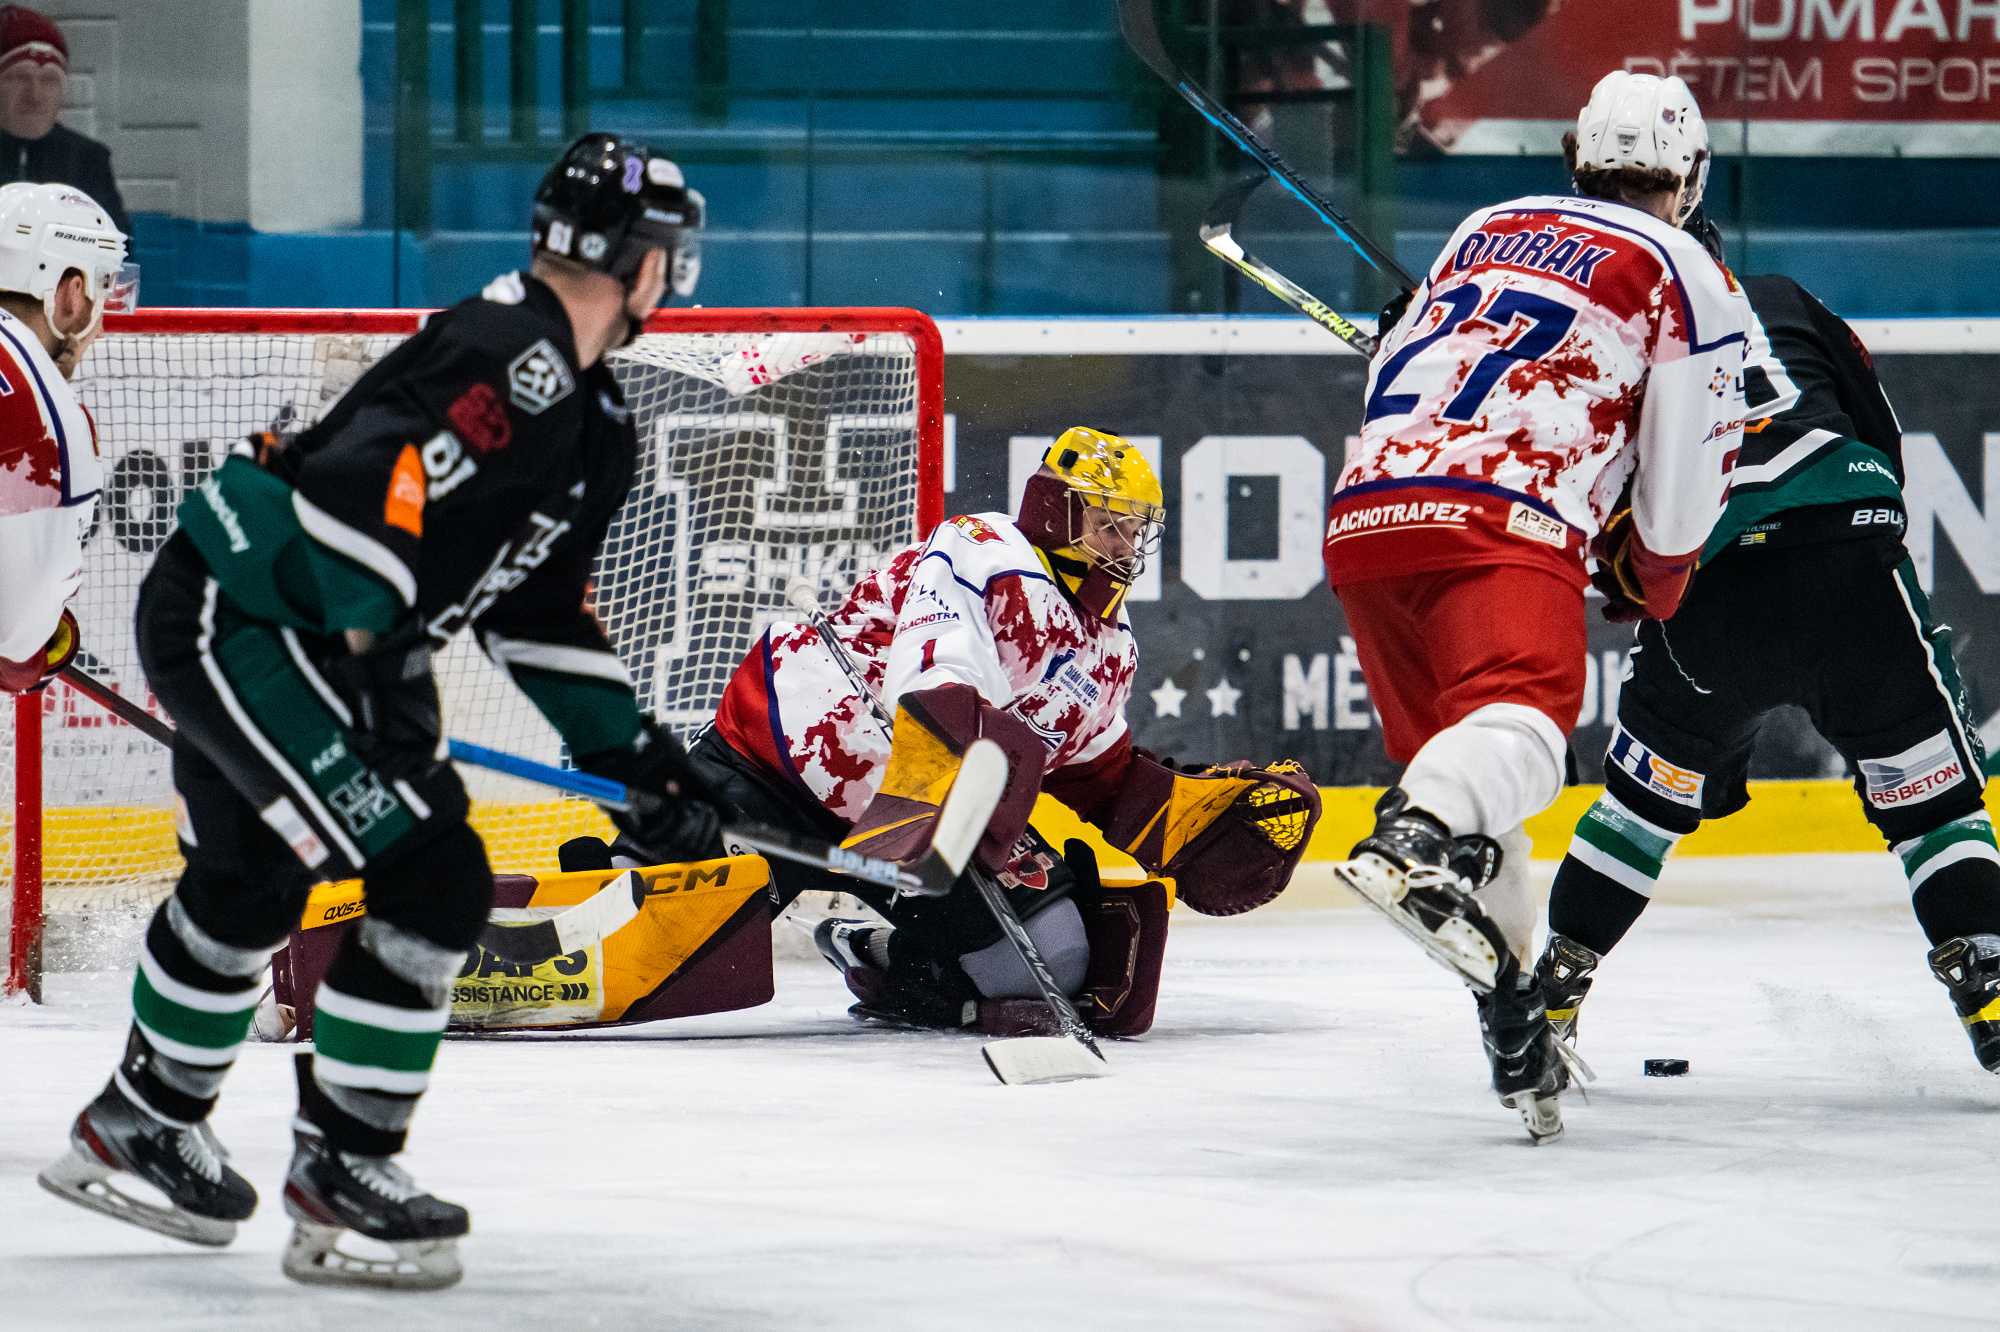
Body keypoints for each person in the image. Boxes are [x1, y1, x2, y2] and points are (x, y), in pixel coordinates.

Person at [38, 133, 719, 1291]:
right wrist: (385, 680)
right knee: (435, 868)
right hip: (248, 614)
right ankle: (345, 1167)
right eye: (668, 252)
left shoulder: (593, 420)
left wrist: (639, 758)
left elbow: (538, 611)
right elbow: (366, 496)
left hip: (272, 622)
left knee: (254, 875)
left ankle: (144, 1122)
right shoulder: (513, 358)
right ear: (641, 261)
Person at [1324, 70, 1751, 1141]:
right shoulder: (1683, 267)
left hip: (1366, 517)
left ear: (1573, 156)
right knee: (1524, 726)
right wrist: (1655, 577)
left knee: (1487, 784)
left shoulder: (1479, 224)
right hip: (1499, 515)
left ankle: (1516, 1020)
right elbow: (1686, 467)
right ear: (1689, 177)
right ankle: (1412, 835)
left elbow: (1398, 372)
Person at [641, 428, 1321, 1034]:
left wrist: (1176, 815)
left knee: (1057, 961)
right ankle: (614, 882)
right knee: (657, 940)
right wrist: (964, 775)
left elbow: (1095, 772)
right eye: (1109, 525)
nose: (1124, 545)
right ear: (1058, 510)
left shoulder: (1111, 648)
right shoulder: (987, 549)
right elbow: (934, 683)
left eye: (1134, 530)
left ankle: (876, 958)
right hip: (785, 766)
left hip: (920, 826)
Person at [1537, 226, 2000, 1075]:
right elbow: (1879, 433)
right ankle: (1990, 980)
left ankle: (1554, 993)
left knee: (1642, 809)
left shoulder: (1617, 331)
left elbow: (1583, 489)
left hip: (1714, 591)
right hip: (1848, 559)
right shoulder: (1784, 295)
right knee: (1934, 805)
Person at [0, 181, 128, 694]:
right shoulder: (49, 421)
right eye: (102, 290)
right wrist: (42, 647)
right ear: (70, 294)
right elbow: (16, 646)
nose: (96, 329)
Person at [0, 7, 129, 236]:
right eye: (20, 77)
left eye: (49, 80)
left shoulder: (88, 161)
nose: (35, 95)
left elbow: (118, 250)